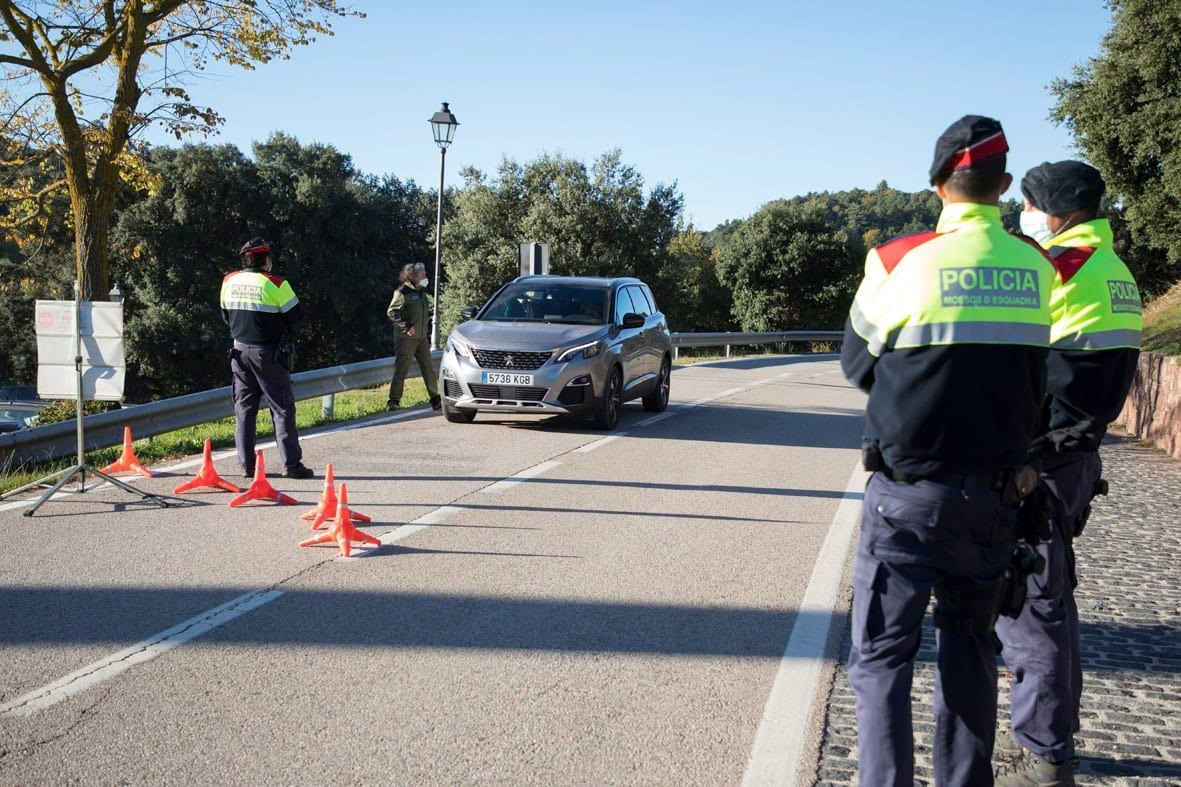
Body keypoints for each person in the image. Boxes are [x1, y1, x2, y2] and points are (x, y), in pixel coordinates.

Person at [840, 115, 1056, 786]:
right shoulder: (1036, 265)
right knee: (969, 650)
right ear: (1005, 185)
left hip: (906, 496)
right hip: (993, 499)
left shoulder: (898, 259)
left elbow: (855, 363)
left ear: (937, 182)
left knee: (880, 659)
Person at [993, 161, 1142, 786]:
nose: (1023, 215)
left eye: (1028, 205)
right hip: (1078, 453)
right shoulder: (1115, 270)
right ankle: (1046, 732)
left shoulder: (1060, 268)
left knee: (1030, 606)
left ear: (1057, 211)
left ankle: (1043, 754)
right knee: (1054, 600)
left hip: (1041, 460)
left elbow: (1008, 356)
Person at [219, 237, 314, 479]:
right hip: (268, 355)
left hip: (239, 352)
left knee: (244, 410)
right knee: (281, 409)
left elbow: (226, 316)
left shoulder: (229, 281)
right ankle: (291, 465)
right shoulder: (276, 284)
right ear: (266, 260)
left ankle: (247, 466)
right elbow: (296, 317)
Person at [386, 262, 441, 411]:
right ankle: (393, 401)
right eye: (423, 274)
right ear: (413, 275)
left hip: (421, 337)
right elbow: (391, 312)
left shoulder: (421, 291)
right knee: (402, 369)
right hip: (406, 338)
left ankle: (435, 399)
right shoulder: (402, 292)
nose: (425, 276)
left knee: (428, 368)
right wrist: (407, 326)